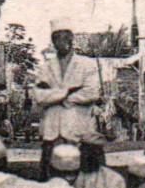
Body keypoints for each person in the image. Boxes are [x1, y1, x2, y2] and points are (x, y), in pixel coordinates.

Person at [33, 19, 102, 175]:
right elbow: (39, 95)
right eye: (57, 38)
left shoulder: (87, 65)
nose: (62, 42)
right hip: (51, 132)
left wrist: (61, 97)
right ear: (52, 41)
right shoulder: (46, 67)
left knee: (81, 175)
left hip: (77, 130)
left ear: (72, 39)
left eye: (65, 38)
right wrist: (66, 92)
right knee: (50, 176)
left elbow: (92, 92)